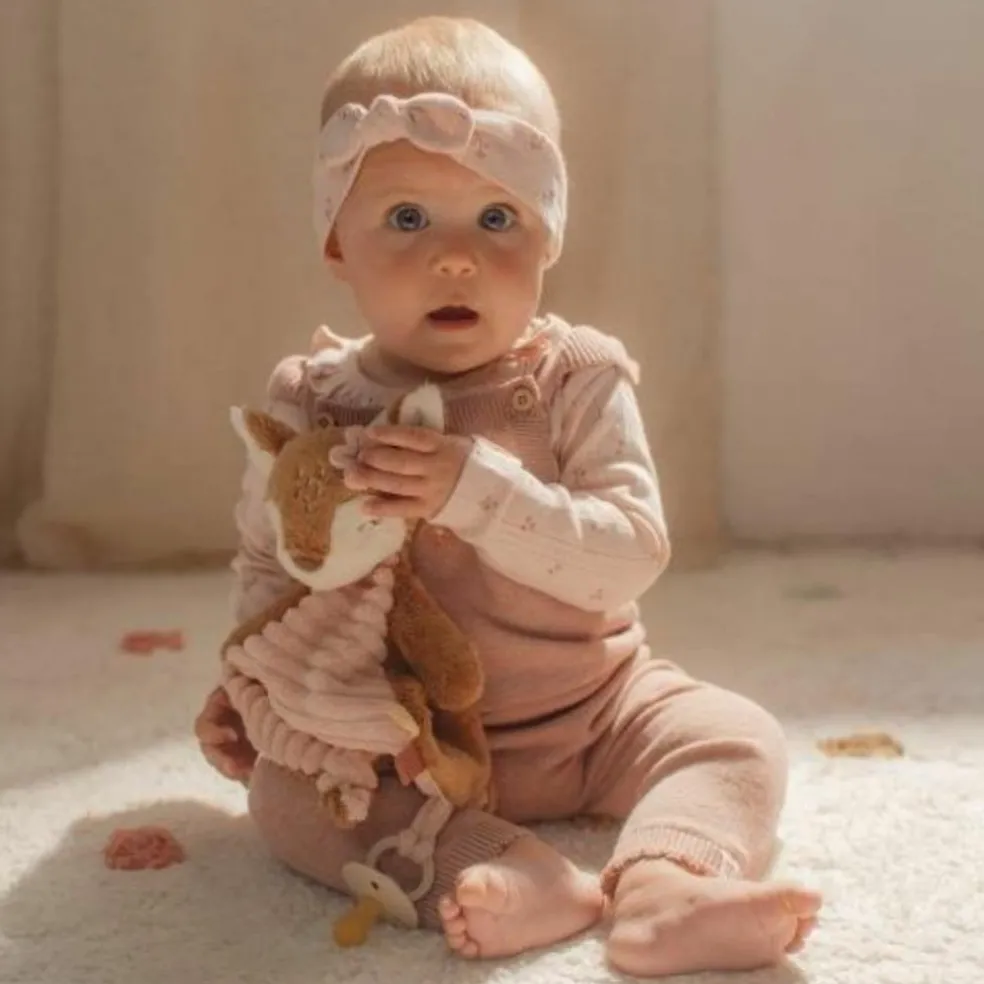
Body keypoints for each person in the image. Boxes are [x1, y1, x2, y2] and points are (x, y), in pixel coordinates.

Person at [194, 15, 822, 977]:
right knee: (285, 798)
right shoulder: (308, 401)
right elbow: (270, 566)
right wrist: (258, 688)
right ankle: (507, 870)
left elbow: (629, 554)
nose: (456, 257)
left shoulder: (577, 377)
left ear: (548, 236)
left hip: (594, 712)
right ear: (335, 243)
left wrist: (476, 491)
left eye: (497, 219)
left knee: (737, 739)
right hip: (396, 738)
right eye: (408, 219)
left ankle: (666, 884)